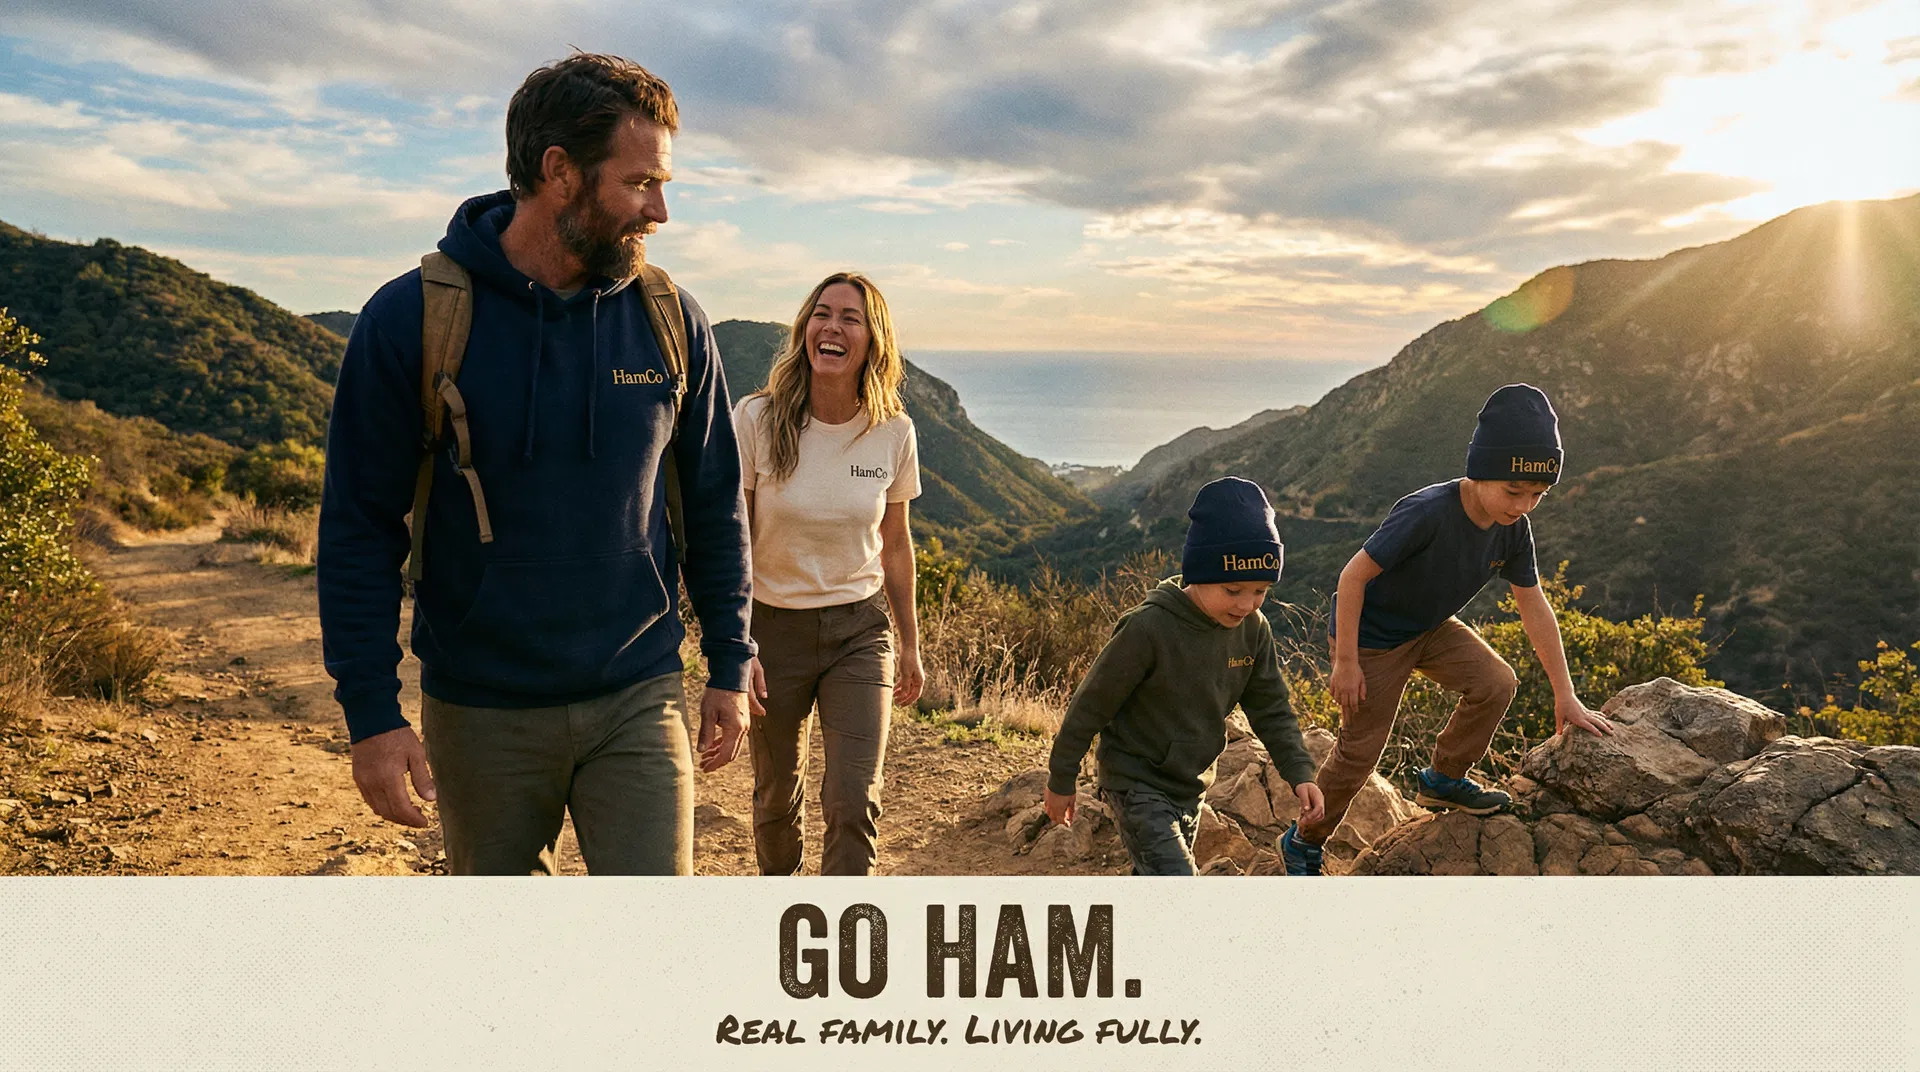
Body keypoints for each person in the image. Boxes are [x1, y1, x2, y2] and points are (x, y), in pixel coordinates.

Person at [317, 53, 754, 875]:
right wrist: (372, 714)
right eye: (639, 184)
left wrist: (732, 657)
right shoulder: (412, 318)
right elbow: (357, 530)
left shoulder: (670, 319)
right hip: (481, 706)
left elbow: (714, 500)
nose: (660, 210)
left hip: (640, 691)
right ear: (559, 172)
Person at [1278, 382, 1613, 876]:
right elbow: (1352, 577)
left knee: (1496, 682)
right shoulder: (1428, 512)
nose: (1523, 505)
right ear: (1480, 472)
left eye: (1538, 495)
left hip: (1430, 628)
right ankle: (1304, 840)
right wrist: (1346, 662)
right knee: (1359, 754)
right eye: (1513, 490)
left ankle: (1443, 778)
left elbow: (1534, 605)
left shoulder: (1513, 529)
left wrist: (1566, 694)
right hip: (1371, 639)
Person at [732, 272, 924, 876]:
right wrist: (736, 642)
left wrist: (911, 644)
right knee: (775, 799)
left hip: (859, 633)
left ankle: (844, 940)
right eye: (822, 313)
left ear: (873, 341)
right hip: (771, 630)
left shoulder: (893, 431)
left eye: (850, 318)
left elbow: (895, 543)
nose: (832, 327)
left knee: (852, 800)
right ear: (805, 329)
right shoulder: (757, 419)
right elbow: (731, 538)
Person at [1043, 477, 1325, 875]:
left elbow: (1271, 708)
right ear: (1198, 573)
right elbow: (1090, 705)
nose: (1247, 604)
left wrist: (1299, 775)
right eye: (1232, 590)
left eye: (1260, 591)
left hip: (1192, 786)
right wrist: (1061, 779)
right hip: (1136, 782)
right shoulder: (1147, 629)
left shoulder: (1253, 630)